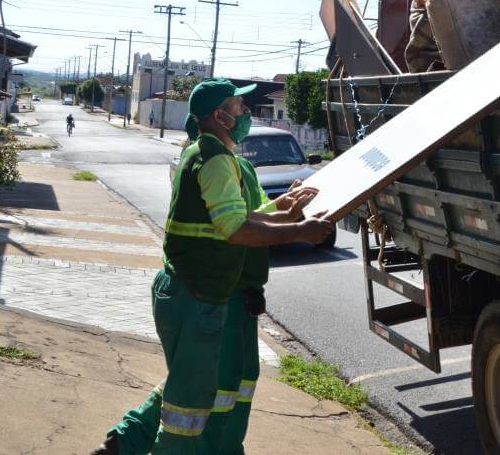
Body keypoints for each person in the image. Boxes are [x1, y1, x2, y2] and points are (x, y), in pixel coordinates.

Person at [93, 78, 333, 454]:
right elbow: (236, 228)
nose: (245, 113)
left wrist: (286, 214)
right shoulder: (216, 159)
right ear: (219, 115)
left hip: (192, 291)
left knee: (191, 389)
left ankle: (128, 441)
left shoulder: (203, 152)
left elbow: (238, 216)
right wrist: (300, 230)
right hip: (198, 295)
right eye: (238, 107)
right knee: (187, 407)